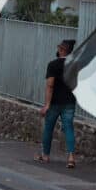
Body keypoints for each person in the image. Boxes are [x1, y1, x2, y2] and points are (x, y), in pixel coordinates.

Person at [37, 39, 77, 168]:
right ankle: (71, 157)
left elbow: (50, 85)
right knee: (69, 128)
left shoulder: (53, 65)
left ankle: (45, 155)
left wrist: (47, 105)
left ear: (61, 50)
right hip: (69, 101)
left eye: (59, 47)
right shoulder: (74, 65)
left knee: (49, 128)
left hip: (54, 102)